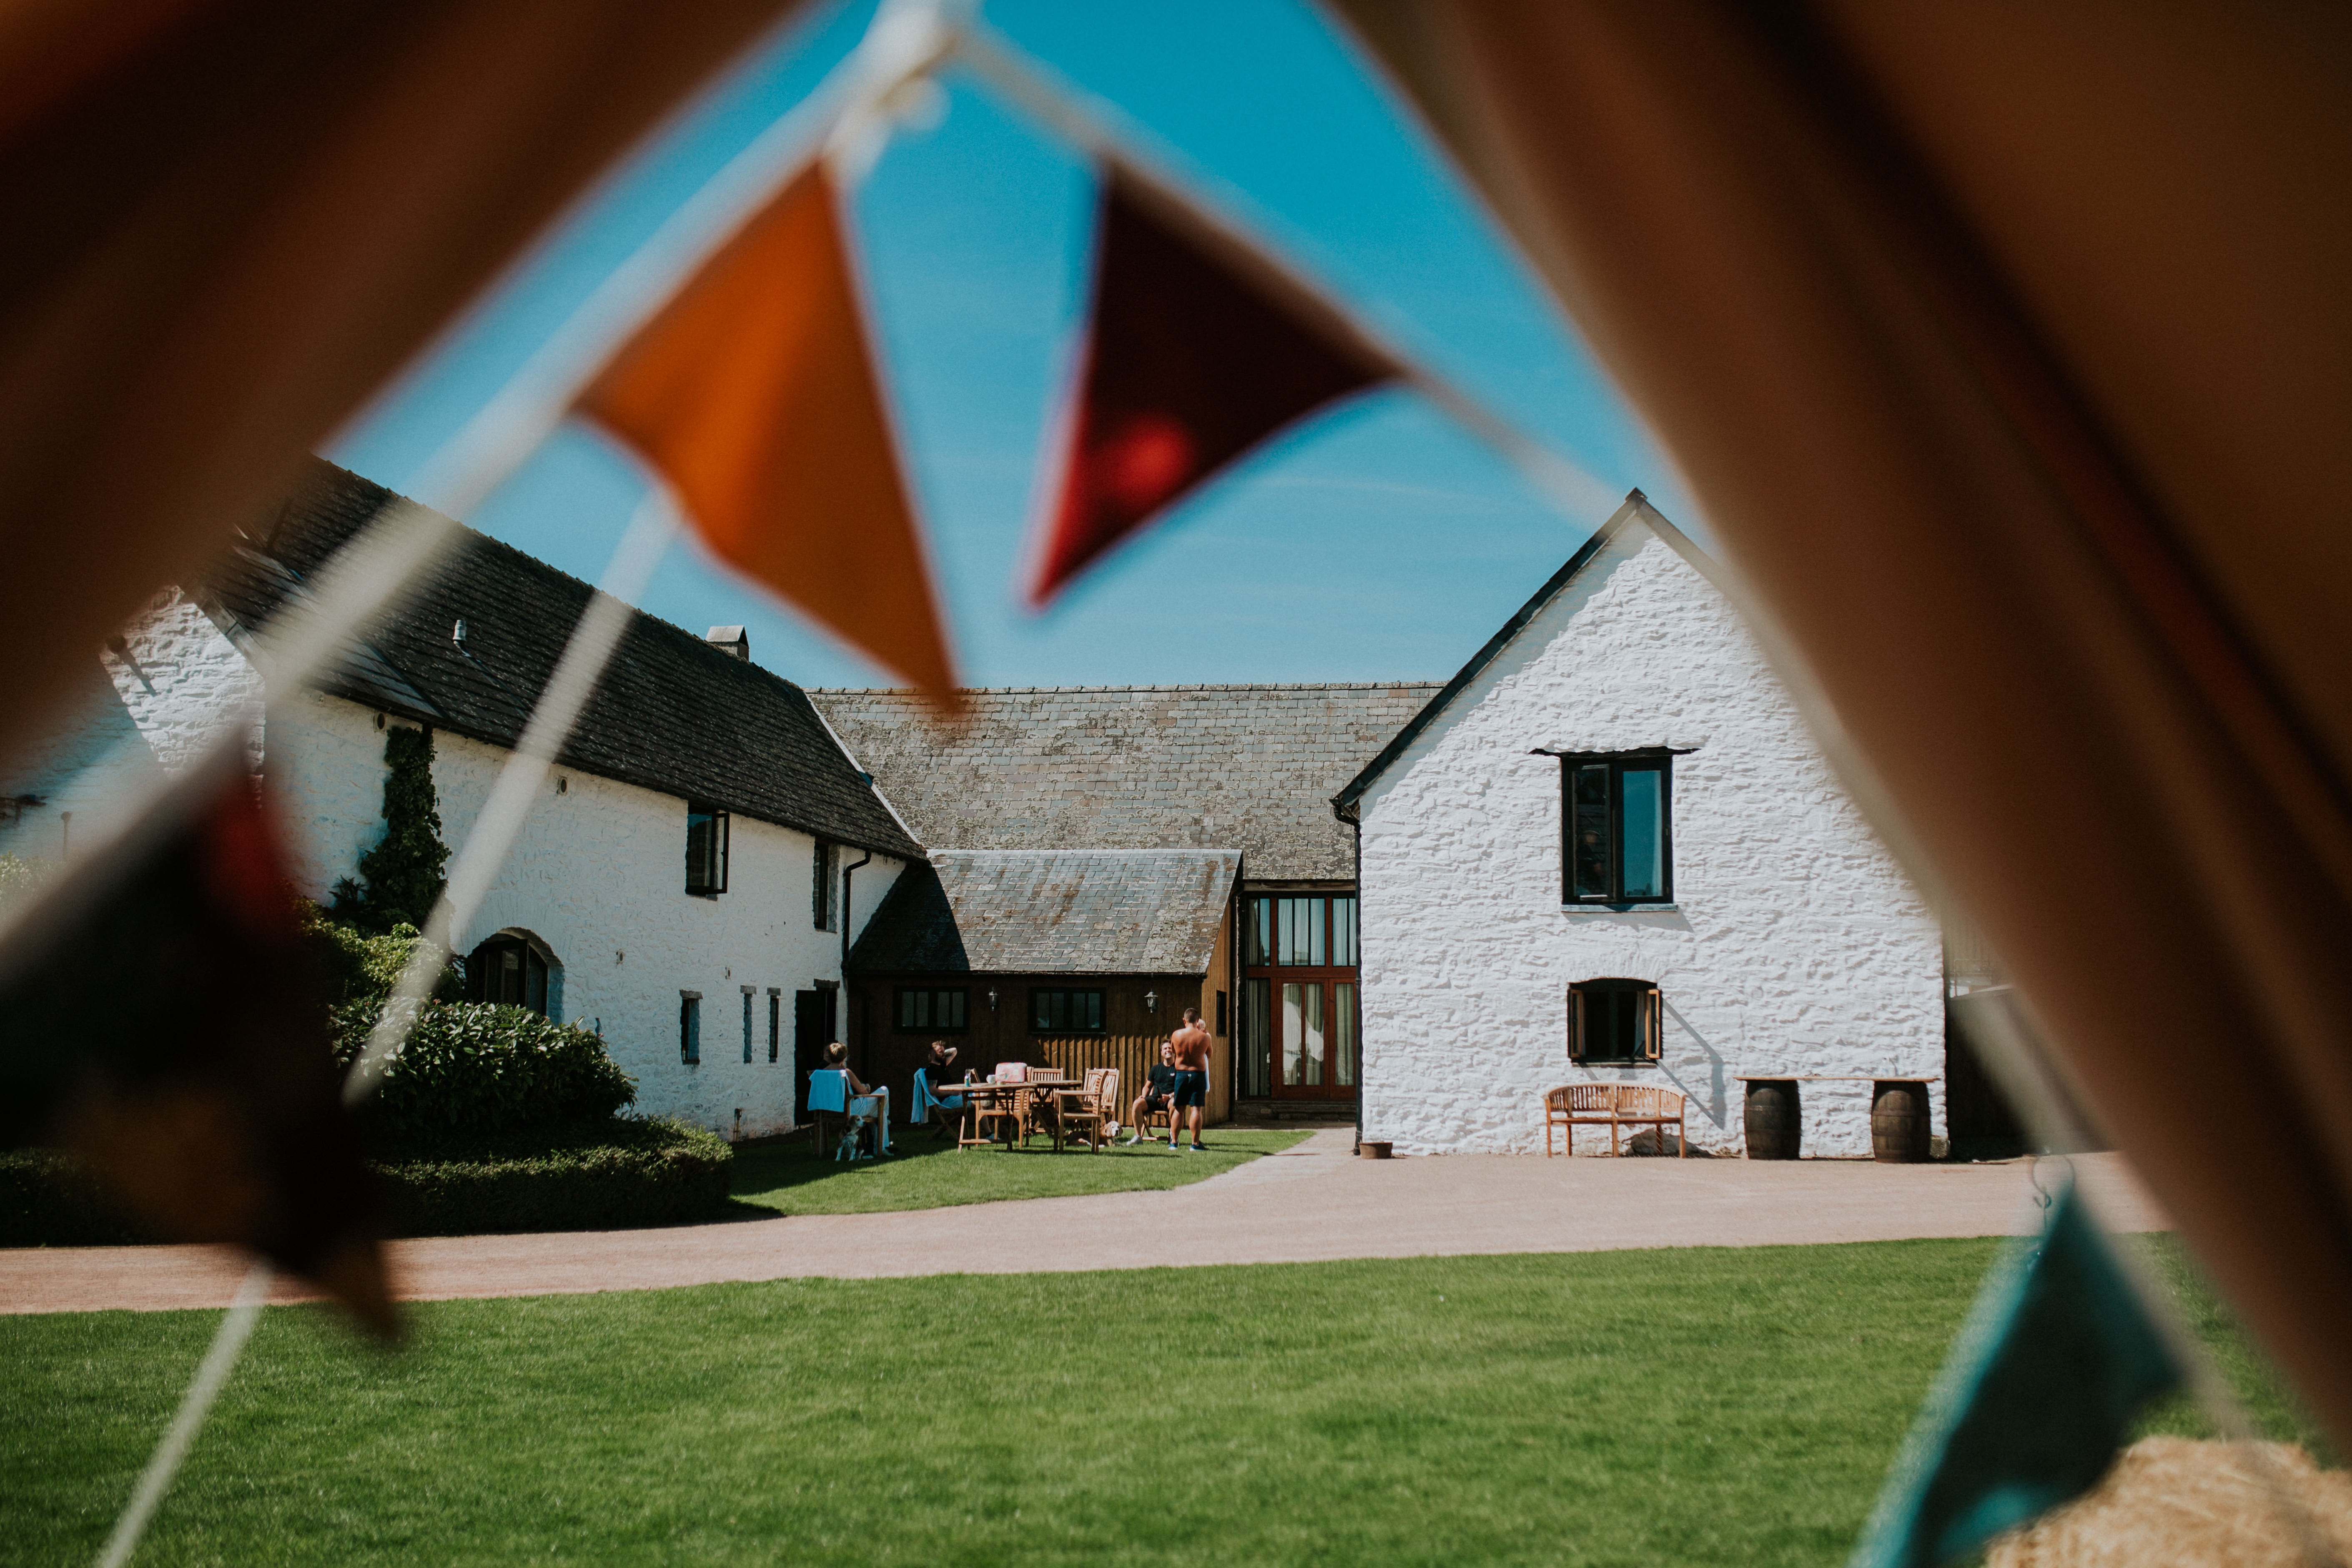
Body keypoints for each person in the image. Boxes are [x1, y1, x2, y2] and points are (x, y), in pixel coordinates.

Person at [824, 1041, 893, 1157]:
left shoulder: (822, 1073)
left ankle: (882, 1118)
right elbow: (863, 1092)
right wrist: (866, 1086)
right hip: (852, 1109)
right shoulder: (845, 1072)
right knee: (884, 1091)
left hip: (831, 1109)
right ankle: (881, 1143)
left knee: (878, 1112)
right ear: (844, 1057)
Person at [1168, 1006, 1211, 1152]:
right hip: (1197, 1074)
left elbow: (1174, 1052)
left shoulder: (1176, 1035)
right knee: (1196, 1110)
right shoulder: (1205, 1037)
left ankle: (1174, 1142)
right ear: (1198, 1021)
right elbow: (1209, 1054)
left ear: (1184, 1020)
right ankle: (1195, 1144)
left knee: (1179, 1109)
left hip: (1181, 1073)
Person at [1125, 1040, 1179, 1146]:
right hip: (1155, 1099)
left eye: (1170, 1048)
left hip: (1170, 1100)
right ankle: (1138, 1137)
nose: (1168, 1050)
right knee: (1137, 1104)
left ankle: (1173, 1135)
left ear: (1174, 1052)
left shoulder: (1178, 1069)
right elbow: (1147, 1086)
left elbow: (1180, 1090)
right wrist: (1143, 1096)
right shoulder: (1156, 1069)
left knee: (1174, 1103)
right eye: (1165, 1049)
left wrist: (1169, 1097)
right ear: (1162, 1053)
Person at [916, 1040, 965, 1142]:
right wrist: (952, 1093)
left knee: (980, 1099)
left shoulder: (942, 1066)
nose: (944, 1054)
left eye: (944, 1052)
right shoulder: (932, 1070)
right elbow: (933, 1091)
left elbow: (954, 1051)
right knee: (978, 1101)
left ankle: (987, 1133)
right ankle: (988, 1134)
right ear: (933, 1054)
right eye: (941, 1052)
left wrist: (941, 1053)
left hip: (954, 1097)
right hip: (947, 1101)